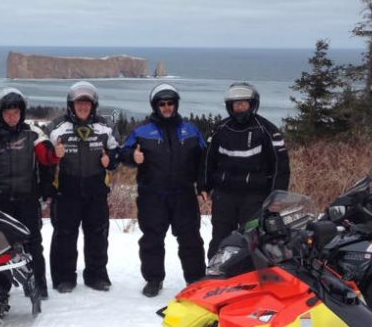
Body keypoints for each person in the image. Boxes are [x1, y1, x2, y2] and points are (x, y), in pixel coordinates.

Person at [120, 84, 207, 297]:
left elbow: (204, 160)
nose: (167, 107)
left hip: (184, 194)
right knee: (152, 240)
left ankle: (195, 279)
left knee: (191, 239)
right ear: (155, 106)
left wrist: (203, 186)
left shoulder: (191, 130)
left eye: (170, 103)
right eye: (162, 104)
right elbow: (122, 154)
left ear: (176, 105)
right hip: (152, 195)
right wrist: (132, 157)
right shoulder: (142, 131)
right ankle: (154, 280)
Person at [0, 87, 58, 299]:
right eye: (7, 113)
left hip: (27, 199)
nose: (12, 117)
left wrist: (56, 154)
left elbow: (46, 159)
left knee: (33, 243)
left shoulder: (33, 133)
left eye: (16, 113)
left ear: (22, 113)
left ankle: (39, 286)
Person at [201, 82, 291, 259]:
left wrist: (277, 197)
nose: (239, 107)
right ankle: (214, 274)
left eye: (243, 103)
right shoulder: (220, 129)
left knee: (254, 238)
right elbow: (206, 160)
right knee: (220, 237)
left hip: (255, 197)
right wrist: (204, 186)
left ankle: (251, 276)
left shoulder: (267, 130)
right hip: (224, 195)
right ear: (230, 106)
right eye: (236, 104)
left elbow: (281, 167)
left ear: (252, 104)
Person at [47, 81, 119, 293]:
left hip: (96, 189)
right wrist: (54, 156)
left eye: (87, 103)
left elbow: (117, 153)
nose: (83, 107)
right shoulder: (56, 127)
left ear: (93, 105)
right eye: (79, 103)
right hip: (66, 190)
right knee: (64, 235)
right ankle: (64, 278)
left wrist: (110, 161)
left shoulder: (106, 127)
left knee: (98, 234)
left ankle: (97, 275)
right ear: (71, 104)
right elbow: (42, 157)